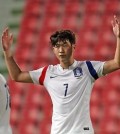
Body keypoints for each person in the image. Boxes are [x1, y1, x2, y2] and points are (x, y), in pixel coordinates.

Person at [1, 15, 120, 134]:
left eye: (64, 45)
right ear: (53, 49)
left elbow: (116, 63)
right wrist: (7, 53)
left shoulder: (88, 68)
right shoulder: (47, 73)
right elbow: (17, 76)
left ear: (73, 46)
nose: (61, 50)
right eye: (57, 46)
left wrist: (119, 37)